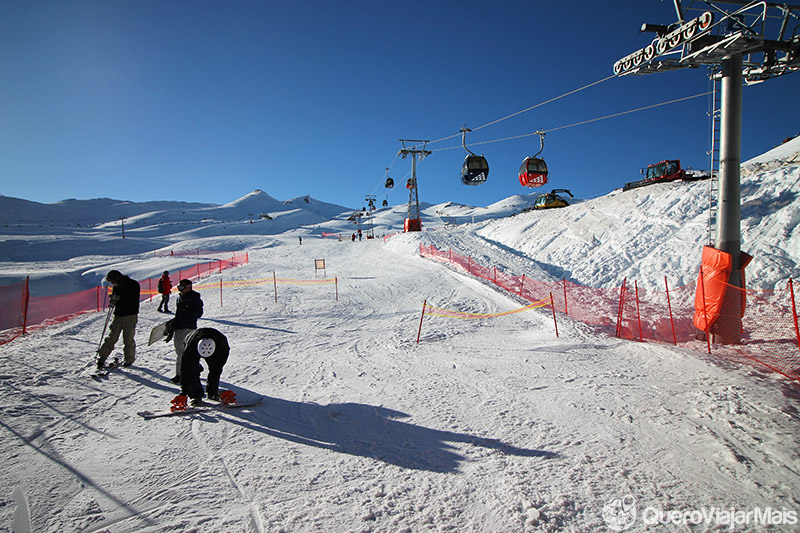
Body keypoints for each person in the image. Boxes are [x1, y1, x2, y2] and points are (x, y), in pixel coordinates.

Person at [97, 270, 140, 368]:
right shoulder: (117, 287)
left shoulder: (133, 285)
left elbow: (131, 299)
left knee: (128, 338)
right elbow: (117, 298)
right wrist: (113, 299)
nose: (113, 284)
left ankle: (129, 359)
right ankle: (102, 356)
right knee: (112, 336)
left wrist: (118, 298)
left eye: (113, 281)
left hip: (130, 315)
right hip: (119, 314)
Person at [180, 327, 230, 404]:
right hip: (191, 341)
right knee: (191, 370)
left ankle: (212, 394)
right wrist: (184, 391)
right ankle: (196, 395)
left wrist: (213, 390)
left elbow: (217, 369)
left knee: (215, 369)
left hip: (217, 346)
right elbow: (185, 369)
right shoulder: (190, 347)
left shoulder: (222, 345)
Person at [167, 279, 203, 383]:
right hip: (179, 327)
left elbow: (198, 313)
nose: (180, 289)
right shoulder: (179, 297)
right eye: (179, 287)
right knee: (183, 351)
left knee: (182, 352)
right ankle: (196, 366)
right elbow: (179, 314)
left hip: (188, 327)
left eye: (182, 287)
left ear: (189, 287)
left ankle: (180, 374)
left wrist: (186, 314)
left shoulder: (194, 298)